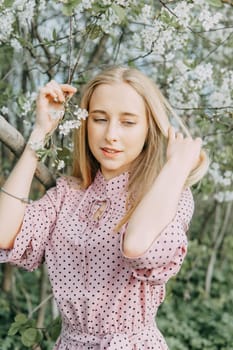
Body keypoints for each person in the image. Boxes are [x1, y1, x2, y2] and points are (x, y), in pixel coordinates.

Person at [0, 66, 208, 350]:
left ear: (150, 128)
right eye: (99, 119)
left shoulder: (169, 197)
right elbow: (3, 232)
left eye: (128, 122)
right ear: (86, 124)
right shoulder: (66, 195)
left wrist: (176, 166)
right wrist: (40, 133)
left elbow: (137, 248)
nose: (111, 134)